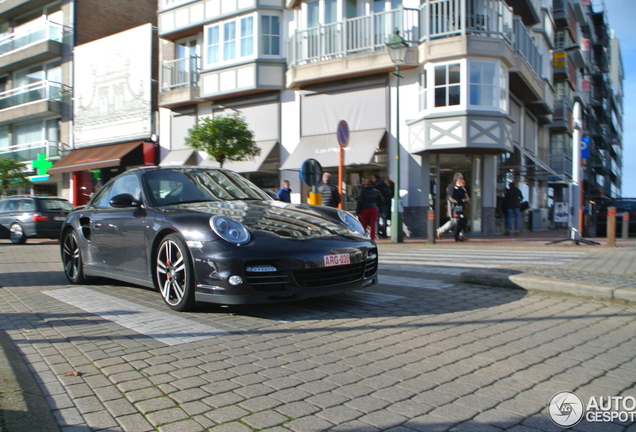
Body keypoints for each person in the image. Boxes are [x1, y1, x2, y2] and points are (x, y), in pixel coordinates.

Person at [437, 172, 468, 241]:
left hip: (459, 207)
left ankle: (460, 235)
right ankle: (441, 230)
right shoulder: (451, 186)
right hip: (453, 207)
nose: (462, 180)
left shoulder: (460, 187)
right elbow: (450, 197)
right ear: (456, 178)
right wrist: (458, 201)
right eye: (460, 178)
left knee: (461, 220)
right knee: (454, 221)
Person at [373, 174, 392, 238]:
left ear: (375, 178)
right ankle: (384, 233)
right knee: (384, 219)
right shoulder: (385, 185)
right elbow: (389, 194)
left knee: (377, 219)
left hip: (377, 204)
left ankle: (378, 233)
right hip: (385, 204)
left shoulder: (375, 185)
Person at [451, 178, 470, 242]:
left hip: (461, 207)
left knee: (462, 221)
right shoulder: (455, 189)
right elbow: (454, 199)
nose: (464, 184)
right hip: (458, 208)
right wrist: (463, 200)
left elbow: (467, 197)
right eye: (463, 183)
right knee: (461, 221)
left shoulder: (462, 190)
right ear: (459, 183)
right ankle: (456, 235)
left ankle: (457, 235)